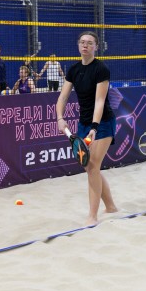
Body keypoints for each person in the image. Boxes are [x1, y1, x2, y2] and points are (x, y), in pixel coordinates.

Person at [56, 31, 118, 226]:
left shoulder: (101, 69)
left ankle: (92, 216)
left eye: (90, 43)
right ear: (78, 45)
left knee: (92, 167)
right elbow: (63, 97)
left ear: (96, 47)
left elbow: (100, 101)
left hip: (103, 123)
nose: (85, 45)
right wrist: (60, 118)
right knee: (91, 168)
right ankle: (111, 207)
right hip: (83, 123)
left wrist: (94, 127)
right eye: (82, 42)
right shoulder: (74, 70)